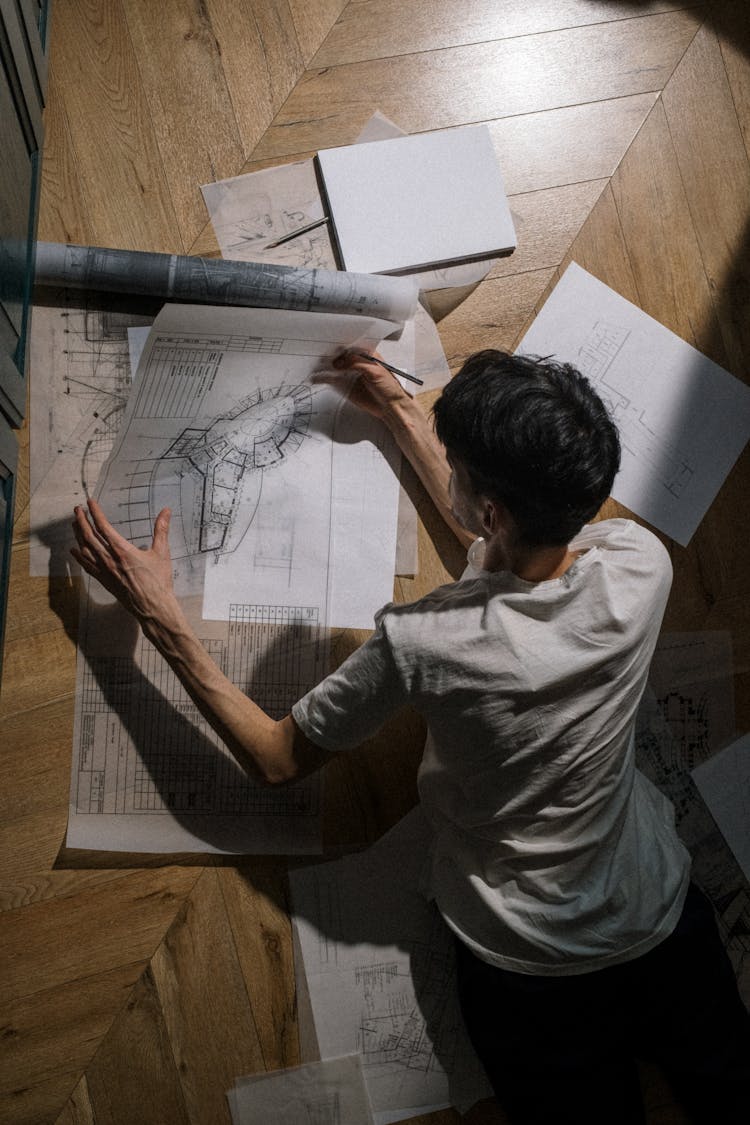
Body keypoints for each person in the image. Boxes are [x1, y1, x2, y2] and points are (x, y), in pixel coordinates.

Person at [71, 348, 750, 1124]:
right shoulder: (640, 565)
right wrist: (399, 412)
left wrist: (160, 614)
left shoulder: (427, 642)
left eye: (453, 460)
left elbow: (276, 757)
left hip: (530, 966)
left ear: (489, 508)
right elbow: (506, 551)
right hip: (659, 911)